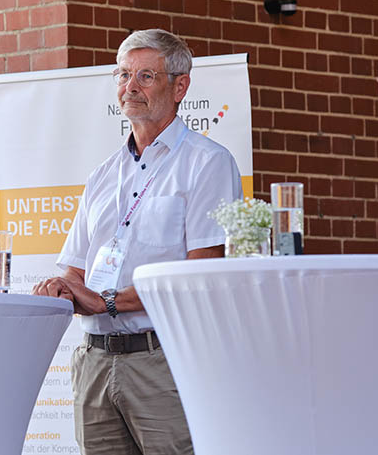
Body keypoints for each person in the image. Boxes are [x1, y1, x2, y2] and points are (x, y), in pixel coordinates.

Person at [33, 29, 242, 454]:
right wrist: (59, 288)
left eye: (146, 76)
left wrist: (106, 301)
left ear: (180, 86)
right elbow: (74, 269)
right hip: (93, 361)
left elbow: (196, 277)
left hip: (161, 361)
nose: (130, 87)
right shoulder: (102, 175)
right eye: (123, 75)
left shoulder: (208, 163)